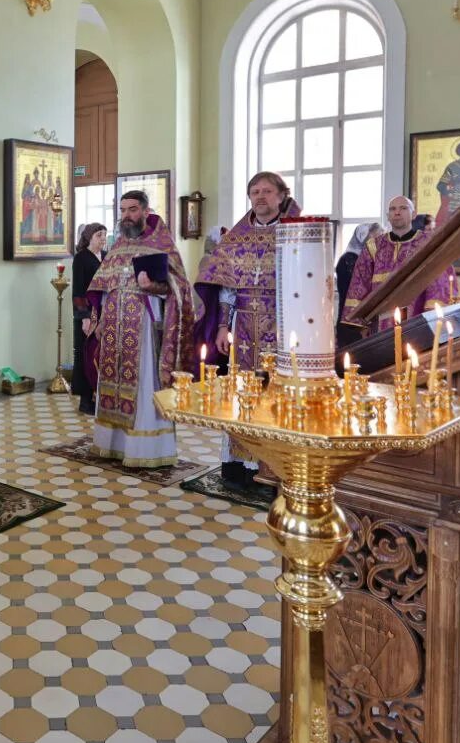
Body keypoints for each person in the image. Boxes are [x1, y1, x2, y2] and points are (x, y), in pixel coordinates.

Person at [194, 171, 300, 502]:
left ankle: (273, 468)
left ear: (282, 195)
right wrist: (223, 326)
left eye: (267, 191)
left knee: (275, 396)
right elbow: (226, 287)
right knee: (242, 394)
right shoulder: (236, 237)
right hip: (243, 329)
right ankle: (238, 466)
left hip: (282, 328)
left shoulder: (294, 233)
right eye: (255, 191)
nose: (260, 197)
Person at [85, 191, 194, 468]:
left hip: (143, 327)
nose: (126, 216)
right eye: (122, 210)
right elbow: (101, 285)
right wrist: (96, 319)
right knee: (112, 382)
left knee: (144, 382)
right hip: (114, 327)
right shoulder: (118, 244)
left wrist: (152, 287)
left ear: (145, 211)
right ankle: (113, 444)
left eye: (132, 210)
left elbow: (179, 288)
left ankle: (145, 448)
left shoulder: (161, 243)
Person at [344, 196, 455, 335]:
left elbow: (440, 278)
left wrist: (432, 314)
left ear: (413, 214)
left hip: (417, 320)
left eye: (403, 208)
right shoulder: (374, 246)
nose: (397, 212)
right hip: (380, 324)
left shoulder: (427, 242)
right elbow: (359, 282)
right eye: (392, 209)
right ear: (388, 216)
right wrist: (359, 322)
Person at [71, 223, 105, 415]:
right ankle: (85, 399)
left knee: (101, 354)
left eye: (104, 235)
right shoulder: (81, 258)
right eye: (99, 235)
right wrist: (84, 317)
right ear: (89, 237)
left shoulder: (107, 256)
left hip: (103, 313)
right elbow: (78, 290)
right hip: (87, 315)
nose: (103, 239)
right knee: (85, 354)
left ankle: (100, 395)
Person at [336, 222, 384, 348]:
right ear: (364, 238)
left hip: (366, 318)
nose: (379, 241)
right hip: (352, 320)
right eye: (376, 237)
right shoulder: (348, 260)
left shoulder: (372, 260)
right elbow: (354, 291)